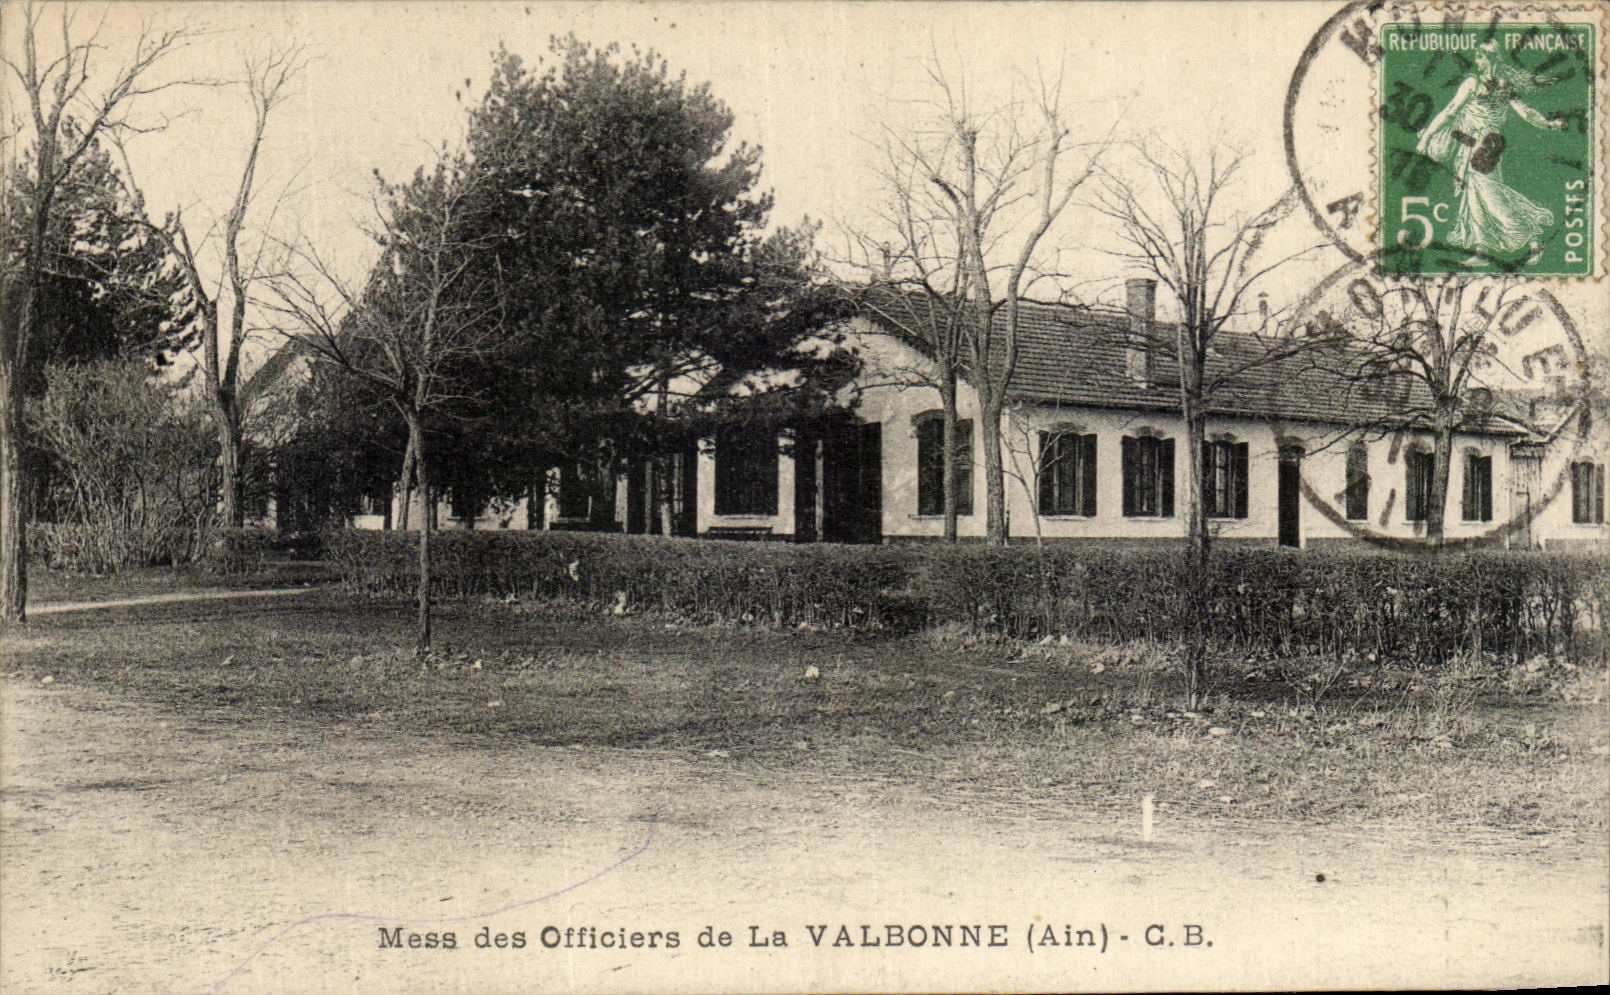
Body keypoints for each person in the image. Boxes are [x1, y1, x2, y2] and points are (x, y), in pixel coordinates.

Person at [1415, 41, 1568, 266]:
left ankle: (1533, 240)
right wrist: (1549, 124)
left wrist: (1548, 123)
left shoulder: (1479, 83)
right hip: (1478, 143)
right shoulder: (1494, 84)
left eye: (1480, 57)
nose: (1476, 62)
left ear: (1491, 59)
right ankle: (1482, 251)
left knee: (1490, 195)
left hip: (1483, 144)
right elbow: (1524, 113)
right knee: (1475, 195)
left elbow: (1451, 111)